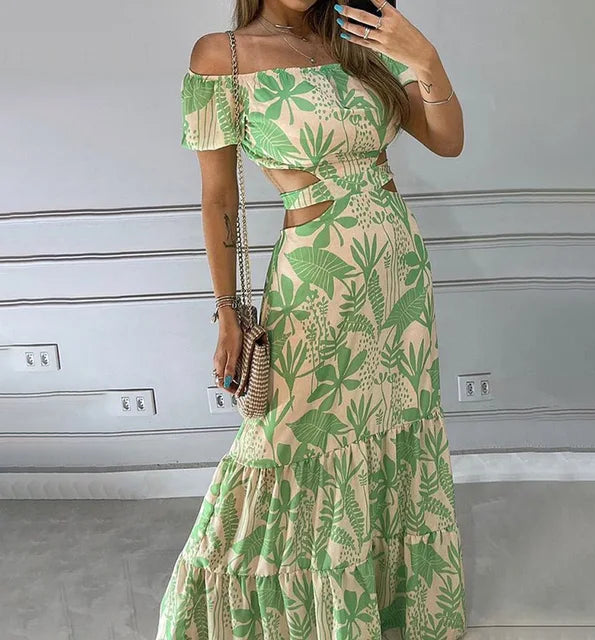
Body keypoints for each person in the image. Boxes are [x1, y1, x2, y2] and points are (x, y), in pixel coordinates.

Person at [156, 0, 466, 638]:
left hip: (397, 275)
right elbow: (219, 198)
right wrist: (227, 312)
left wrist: (424, 58)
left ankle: (386, 604)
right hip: (316, 280)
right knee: (288, 441)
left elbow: (447, 140)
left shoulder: (359, 38)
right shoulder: (222, 56)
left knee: (391, 428)